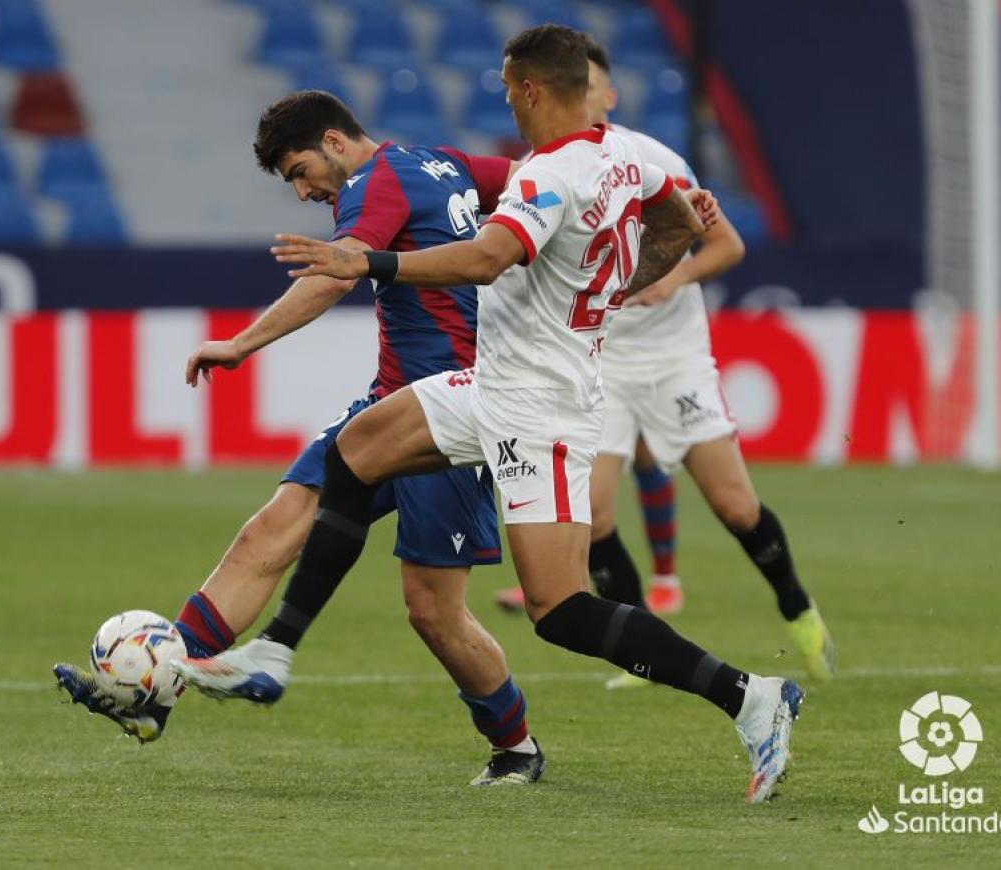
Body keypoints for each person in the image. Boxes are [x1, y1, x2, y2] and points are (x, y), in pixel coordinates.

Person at [178, 25, 805, 804]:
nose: (506, 101)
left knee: (560, 609)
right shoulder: (627, 157)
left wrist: (369, 261)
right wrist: (611, 288)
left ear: (533, 89)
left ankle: (751, 697)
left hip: (538, 406)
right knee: (355, 449)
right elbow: (681, 223)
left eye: (509, 89)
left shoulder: (549, 174)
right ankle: (274, 650)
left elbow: (486, 258)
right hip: (493, 384)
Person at [55, 90, 547, 787]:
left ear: (334, 141)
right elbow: (538, 178)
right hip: (386, 405)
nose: (304, 189)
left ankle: (517, 746)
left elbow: (334, 273)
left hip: (450, 417)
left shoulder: (377, 180)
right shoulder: (445, 163)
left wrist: (243, 343)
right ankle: (162, 686)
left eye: (298, 170)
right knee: (270, 532)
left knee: (434, 612)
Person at [494, 37, 837, 691]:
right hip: (603, 362)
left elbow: (723, 244)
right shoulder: (538, 170)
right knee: (593, 518)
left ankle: (797, 609)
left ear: (606, 95)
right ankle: (646, 647)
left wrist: (671, 281)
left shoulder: (646, 159)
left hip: (674, 355)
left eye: (592, 89)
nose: (583, 100)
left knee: (736, 506)